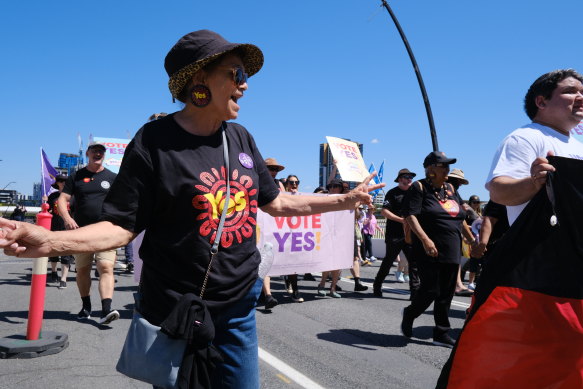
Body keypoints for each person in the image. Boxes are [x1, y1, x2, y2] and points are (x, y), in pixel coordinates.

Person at [0, 30, 383, 388]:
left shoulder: (241, 137)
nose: (245, 85)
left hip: (238, 306)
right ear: (200, 79)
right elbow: (121, 226)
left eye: (245, 75)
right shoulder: (153, 141)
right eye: (237, 73)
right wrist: (51, 241)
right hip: (174, 308)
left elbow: (277, 201)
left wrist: (345, 200)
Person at [486, 69, 583, 225]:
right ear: (541, 102)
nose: (580, 97)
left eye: (582, 92)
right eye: (570, 91)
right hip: (542, 247)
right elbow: (497, 192)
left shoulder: (578, 146)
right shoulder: (524, 138)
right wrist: (534, 182)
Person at [400, 151, 476, 348]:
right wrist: (425, 240)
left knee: (447, 292)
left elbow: (459, 217)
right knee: (431, 290)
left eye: (447, 166)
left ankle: (441, 332)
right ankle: (410, 313)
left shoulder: (450, 188)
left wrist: (472, 240)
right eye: (443, 166)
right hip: (429, 248)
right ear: (430, 169)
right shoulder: (418, 188)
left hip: (451, 247)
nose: (447, 170)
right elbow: (411, 216)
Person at [57, 141, 119, 325]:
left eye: (101, 151)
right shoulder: (76, 176)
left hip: (106, 231)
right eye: (94, 151)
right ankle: (86, 307)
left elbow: (123, 201)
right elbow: (62, 199)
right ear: (88, 154)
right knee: (83, 270)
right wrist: (67, 219)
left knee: (106, 267)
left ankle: (107, 310)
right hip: (82, 232)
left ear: (104, 155)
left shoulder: (113, 177)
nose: (98, 153)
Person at [373, 168, 418, 299]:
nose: (410, 179)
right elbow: (384, 212)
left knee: (413, 263)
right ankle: (377, 286)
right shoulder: (392, 193)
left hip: (410, 234)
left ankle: (414, 292)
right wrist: (401, 220)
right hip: (394, 234)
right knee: (388, 262)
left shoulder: (415, 193)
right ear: (400, 179)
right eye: (407, 176)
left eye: (411, 177)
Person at [261, 157, 286, 310]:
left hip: (276, 227)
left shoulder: (279, 184)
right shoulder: (256, 180)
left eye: (276, 169)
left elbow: (285, 201)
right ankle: (268, 295)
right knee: (264, 260)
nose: (274, 172)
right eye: (271, 169)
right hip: (260, 227)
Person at [446, 168, 474, 297]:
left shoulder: (453, 193)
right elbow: (460, 213)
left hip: (453, 231)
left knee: (455, 259)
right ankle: (456, 285)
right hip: (446, 231)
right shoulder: (448, 191)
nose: (461, 184)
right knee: (452, 259)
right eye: (459, 181)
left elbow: (463, 210)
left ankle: (456, 284)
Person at [317, 178, 345, 298]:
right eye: (331, 186)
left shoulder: (345, 200)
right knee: (327, 261)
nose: (333, 188)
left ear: (341, 188)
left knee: (338, 263)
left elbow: (356, 215)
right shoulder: (325, 199)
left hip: (342, 234)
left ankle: (333, 288)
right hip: (326, 234)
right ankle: (322, 284)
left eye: (336, 186)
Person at [47, 174, 74, 289]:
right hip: (54, 227)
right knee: (53, 252)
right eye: (61, 181)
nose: (63, 182)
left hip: (68, 228)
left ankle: (63, 278)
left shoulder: (73, 197)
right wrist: (45, 204)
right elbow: (47, 211)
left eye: (65, 181)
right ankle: (53, 271)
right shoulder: (52, 196)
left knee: (66, 253)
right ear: (57, 183)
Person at [283, 175, 304, 302]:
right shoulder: (280, 197)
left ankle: (295, 289)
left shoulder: (302, 197)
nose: (294, 184)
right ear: (287, 184)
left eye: (297, 182)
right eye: (291, 182)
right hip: (281, 235)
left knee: (294, 263)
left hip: (296, 235)